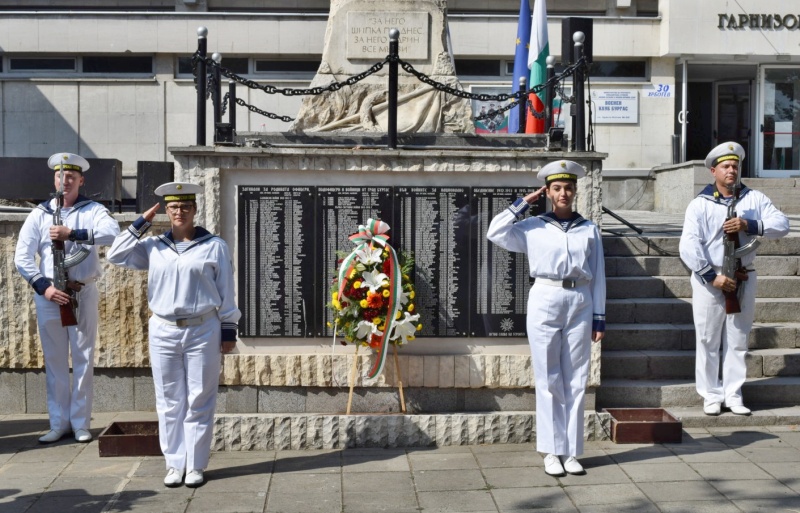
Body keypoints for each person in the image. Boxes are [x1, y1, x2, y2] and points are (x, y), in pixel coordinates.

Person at [107, 182, 240, 488]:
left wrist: (228, 328)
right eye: (173, 207)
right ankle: (173, 463)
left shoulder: (214, 245)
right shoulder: (153, 246)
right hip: (164, 328)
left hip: (202, 327)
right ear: (166, 211)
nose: (179, 212)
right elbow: (115, 254)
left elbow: (226, 291)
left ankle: (195, 464)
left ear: (194, 210)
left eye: (185, 207)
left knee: (199, 398)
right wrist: (142, 222)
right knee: (169, 400)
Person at [487, 160, 605, 477]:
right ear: (548, 192)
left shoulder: (589, 228)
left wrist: (599, 317)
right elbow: (494, 232)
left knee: (576, 378)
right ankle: (551, 451)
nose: (563, 192)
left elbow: (599, 276)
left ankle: (571, 451)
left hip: (580, 299)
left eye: (568, 187)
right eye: (557, 188)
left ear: (575, 190)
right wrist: (522, 204)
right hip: (545, 297)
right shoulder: (533, 226)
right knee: (549, 377)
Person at [14, 153, 120, 444]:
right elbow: (22, 257)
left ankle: (81, 423)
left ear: (81, 180)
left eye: (72, 176)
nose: (66, 180)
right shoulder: (40, 214)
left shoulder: (93, 209)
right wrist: (44, 287)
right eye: (61, 175)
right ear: (55, 179)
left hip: (81, 292)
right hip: (50, 295)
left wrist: (72, 232)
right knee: (55, 360)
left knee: (83, 357)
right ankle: (58, 423)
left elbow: (113, 233)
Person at [679, 142, 789, 416]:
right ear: (713, 171)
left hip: (744, 274)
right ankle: (711, 394)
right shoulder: (700, 204)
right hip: (711, 277)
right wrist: (711, 277)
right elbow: (689, 245)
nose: (732, 170)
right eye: (726, 166)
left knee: (738, 338)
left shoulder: (754, 200)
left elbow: (782, 225)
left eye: (735, 166)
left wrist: (749, 225)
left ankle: (733, 393)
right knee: (707, 338)